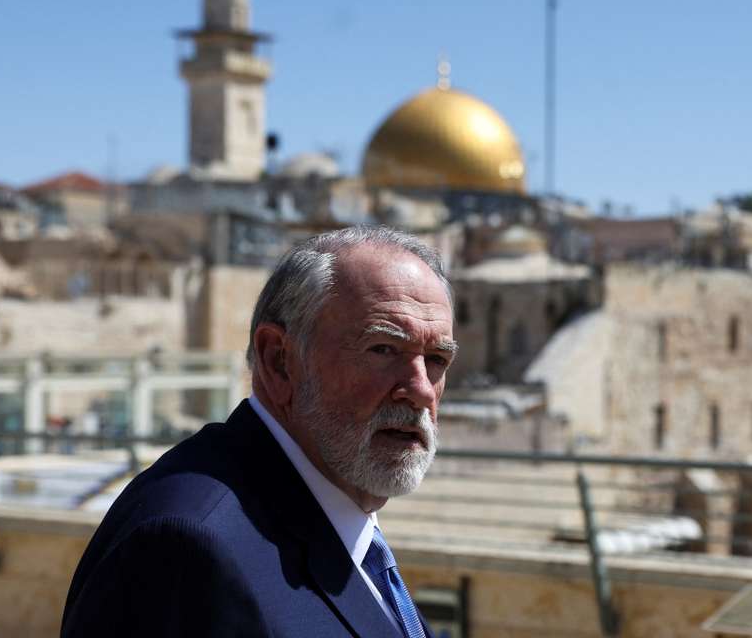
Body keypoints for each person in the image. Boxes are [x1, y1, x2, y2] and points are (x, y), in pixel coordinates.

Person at [61, 225, 457, 637]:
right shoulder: (191, 547)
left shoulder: (341, 515)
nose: (420, 390)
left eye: (436, 359)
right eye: (383, 350)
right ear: (279, 361)